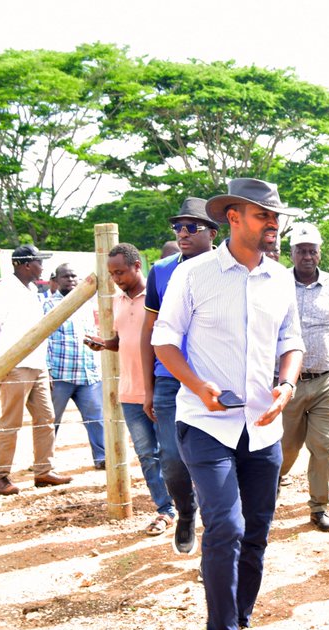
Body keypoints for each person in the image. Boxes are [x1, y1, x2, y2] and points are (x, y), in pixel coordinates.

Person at [152, 178, 304, 630]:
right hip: (205, 423)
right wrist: (198, 385)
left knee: (257, 532)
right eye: (264, 216)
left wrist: (285, 386)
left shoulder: (280, 279)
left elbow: (292, 340)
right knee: (226, 527)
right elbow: (164, 341)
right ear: (234, 217)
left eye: (276, 218)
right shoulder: (192, 275)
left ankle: (241, 623)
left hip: (262, 426)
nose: (273, 226)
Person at [141, 198, 217, 555]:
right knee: (172, 459)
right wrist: (147, 386)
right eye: (178, 227)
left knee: (215, 458)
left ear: (213, 233)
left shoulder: (227, 269)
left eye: (192, 227)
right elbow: (150, 331)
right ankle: (185, 513)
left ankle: (216, 540)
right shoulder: (160, 271)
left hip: (215, 375)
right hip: (170, 378)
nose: (183, 233)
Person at [87, 244, 176, 536]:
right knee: (148, 456)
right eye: (112, 274)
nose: (116, 278)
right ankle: (166, 511)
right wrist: (104, 343)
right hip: (129, 392)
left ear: (137, 266)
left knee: (173, 454)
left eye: (121, 272)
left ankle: (189, 506)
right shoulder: (117, 301)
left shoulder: (159, 294)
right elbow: (122, 339)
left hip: (162, 389)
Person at [279, 223, 329, 532]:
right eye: (301, 251)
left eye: (312, 251)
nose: (307, 256)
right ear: (292, 253)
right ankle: (274, 479)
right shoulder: (277, 283)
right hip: (288, 384)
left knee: (324, 446)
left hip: (326, 380)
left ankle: (319, 507)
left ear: (319, 253)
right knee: (288, 447)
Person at [0, 244, 72, 495]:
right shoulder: (3, 290)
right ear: (26, 264)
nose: (43, 267)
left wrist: (46, 366)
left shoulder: (33, 289)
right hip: (14, 366)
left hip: (37, 364)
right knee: (11, 422)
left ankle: (44, 470)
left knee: (46, 418)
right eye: (39, 262)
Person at [44, 264, 105, 470]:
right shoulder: (48, 305)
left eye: (73, 276)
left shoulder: (87, 304)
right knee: (51, 421)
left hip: (87, 373)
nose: (70, 279)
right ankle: (44, 463)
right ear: (56, 280)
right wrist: (47, 371)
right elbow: (44, 341)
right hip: (60, 373)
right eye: (65, 276)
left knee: (96, 418)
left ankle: (102, 458)